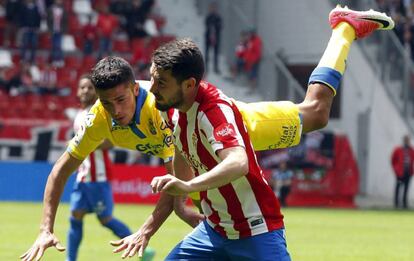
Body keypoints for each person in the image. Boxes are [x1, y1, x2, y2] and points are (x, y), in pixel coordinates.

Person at [144, 6, 394, 260]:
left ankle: (344, 27)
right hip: (215, 231)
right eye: (151, 79)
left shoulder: (212, 114)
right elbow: (183, 152)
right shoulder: (171, 105)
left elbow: (238, 162)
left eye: (160, 82)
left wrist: (186, 186)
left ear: (188, 85)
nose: (153, 88)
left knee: (317, 112)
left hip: (255, 220)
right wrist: (176, 205)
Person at [63, 74, 140, 261]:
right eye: (82, 87)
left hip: (98, 176)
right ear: (77, 91)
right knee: (75, 217)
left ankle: (142, 249)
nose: (85, 91)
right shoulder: (80, 115)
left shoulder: (99, 113)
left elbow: (110, 142)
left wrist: (81, 143)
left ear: (96, 92)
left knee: (105, 219)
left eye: (89, 88)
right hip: (83, 177)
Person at [391, 135, 414, 209]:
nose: (407, 141)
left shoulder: (411, 150)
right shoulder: (398, 149)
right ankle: (396, 203)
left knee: (406, 188)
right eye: (406, 140)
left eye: (408, 140)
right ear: (403, 140)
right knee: (398, 187)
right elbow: (393, 160)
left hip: (408, 172)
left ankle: (404, 203)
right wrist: (396, 169)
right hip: (400, 173)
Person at [204, 1, 222, 74]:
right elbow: (206, 25)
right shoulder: (208, 17)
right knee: (207, 52)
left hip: (216, 38)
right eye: (211, 8)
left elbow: (220, 26)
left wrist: (216, 26)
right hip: (208, 37)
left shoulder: (218, 18)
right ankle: (206, 67)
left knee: (216, 53)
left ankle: (215, 67)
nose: (213, 9)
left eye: (214, 8)